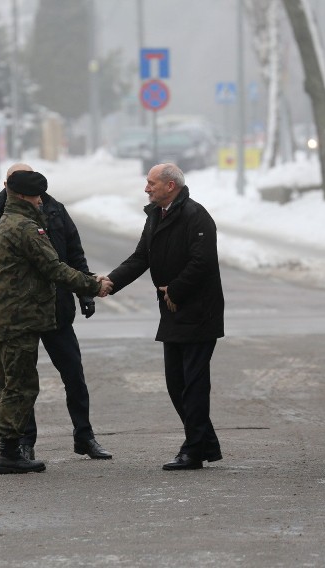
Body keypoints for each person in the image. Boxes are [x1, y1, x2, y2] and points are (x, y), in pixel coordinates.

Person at [0, 163, 113, 462]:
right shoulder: (10, 223)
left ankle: (81, 436)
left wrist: (82, 292)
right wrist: (91, 286)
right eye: (35, 195)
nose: (40, 200)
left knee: (67, 375)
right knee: (19, 383)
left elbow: (72, 250)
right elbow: (50, 267)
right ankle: (17, 447)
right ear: (17, 190)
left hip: (51, 310)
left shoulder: (51, 212)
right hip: (23, 316)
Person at [105, 163, 224, 471]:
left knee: (193, 384)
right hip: (172, 310)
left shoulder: (196, 216)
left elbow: (203, 261)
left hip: (198, 311)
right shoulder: (157, 215)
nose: (147, 188)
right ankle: (203, 442)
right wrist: (110, 282)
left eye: (151, 183)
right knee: (176, 383)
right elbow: (141, 257)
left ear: (170, 186)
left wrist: (176, 290)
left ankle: (194, 449)